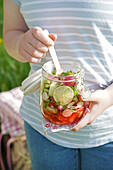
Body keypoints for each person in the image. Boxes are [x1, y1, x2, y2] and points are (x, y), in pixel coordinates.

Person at [3, 0, 113, 169]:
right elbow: (12, 32)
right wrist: (20, 44)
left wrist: (108, 96)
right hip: (42, 129)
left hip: (108, 132)